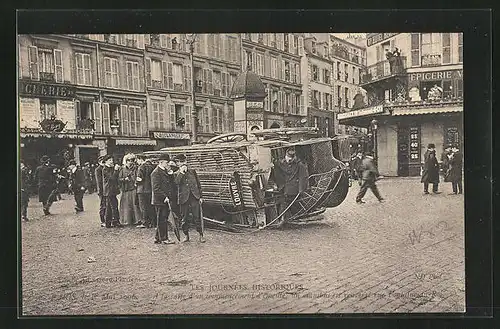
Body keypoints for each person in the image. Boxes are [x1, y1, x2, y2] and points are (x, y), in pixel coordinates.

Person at [272, 148, 309, 223]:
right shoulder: (281, 163)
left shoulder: (299, 165)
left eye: (290, 158)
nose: (288, 160)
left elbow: (303, 177)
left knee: (287, 202)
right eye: (287, 158)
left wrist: (301, 190)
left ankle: (283, 219)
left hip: (293, 188)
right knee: (283, 202)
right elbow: (277, 167)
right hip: (284, 187)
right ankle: (283, 218)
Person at [174, 154, 205, 243]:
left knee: (197, 217)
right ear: (178, 164)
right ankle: (186, 235)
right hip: (183, 198)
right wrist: (181, 173)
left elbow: (198, 184)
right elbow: (176, 183)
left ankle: (201, 235)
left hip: (194, 197)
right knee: (184, 218)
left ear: (186, 162)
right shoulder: (176, 173)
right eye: (180, 162)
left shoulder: (192, 171)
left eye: (183, 162)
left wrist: (200, 197)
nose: (182, 164)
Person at [150, 153, 176, 244]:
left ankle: (157, 238)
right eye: (166, 162)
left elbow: (171, 184)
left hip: (165, 199)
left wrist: (170, 174)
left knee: (161, 218)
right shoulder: (155, 173)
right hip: (160, 200)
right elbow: (156, 188)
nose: (168, 164)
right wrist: (164, 197)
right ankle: (164, 239)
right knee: (162, 219)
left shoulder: (164, 171)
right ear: (161, 162)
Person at [118, 154, 142, 226]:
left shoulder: (136, 169)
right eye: (129, 161)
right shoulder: (122, 169)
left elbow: (138, 177)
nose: (130, 162)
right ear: (126, 162)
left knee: (135, 205)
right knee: (126, 206)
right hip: (125, 189)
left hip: (133, 189)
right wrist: (124, 179)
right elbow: (119, 179)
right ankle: (126, 220)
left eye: (132, 161)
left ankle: (137, 220)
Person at [102, 155, 123, 228]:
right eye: (110, 160)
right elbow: (112, 178)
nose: (112, 161)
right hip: (109, 190)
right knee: (114, 206)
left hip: (112, 190)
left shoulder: (110, 168)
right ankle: (115, 221)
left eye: (112, 160)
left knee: (110, 206)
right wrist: (116, 170)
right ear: (106, 161)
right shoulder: (105, 169)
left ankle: (108, 222)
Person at [135, 154, 155, 228]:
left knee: (143, 207)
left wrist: (136, 183)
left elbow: (139, 179)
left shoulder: (141, 167)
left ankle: (145, 222)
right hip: (150, 189)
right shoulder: (152, 166)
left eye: (137, 160)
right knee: (150, 206)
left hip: (142, 190)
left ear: (140, 159)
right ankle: (152, 222)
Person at [95, 156, 107, 227]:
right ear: (99, 162)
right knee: (103, 205)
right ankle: (102, 221)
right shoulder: (98, 169)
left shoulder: (105, 168)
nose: (103, 162)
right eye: (102, 161)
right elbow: (99, 181)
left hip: (106, 190)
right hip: (102, 190)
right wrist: (100, 191)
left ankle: (107, 219)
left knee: (107, 205)